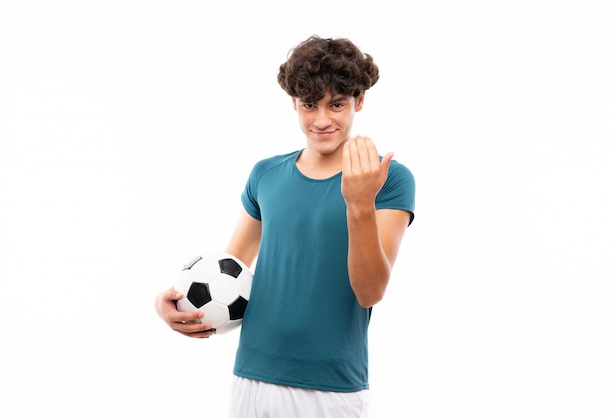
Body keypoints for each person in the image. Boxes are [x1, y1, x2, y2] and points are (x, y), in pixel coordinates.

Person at [155, 35, 416, 417]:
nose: (322, 120)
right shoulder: (265, 174)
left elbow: (370, 291)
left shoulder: (388, 179)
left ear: (359, 101)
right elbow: (230, 271)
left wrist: (359, 203)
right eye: (309, 105)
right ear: (294, 102)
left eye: (337, 105)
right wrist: (173, 305)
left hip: (330, 386)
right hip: (252, 376)